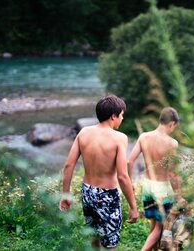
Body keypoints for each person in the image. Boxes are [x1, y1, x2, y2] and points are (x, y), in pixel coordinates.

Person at [59, 95, 138, 251]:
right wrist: (133, 207)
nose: (122, 119)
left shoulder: (83, 133)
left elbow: (69, 165)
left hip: (87, 191)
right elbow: (122, 176)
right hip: (107, 196)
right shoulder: (119, 138)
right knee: (110, 244)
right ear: (113, 116)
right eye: (121, 115)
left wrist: (65, 194)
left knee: (94, 237)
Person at [128, 107, 185, 251]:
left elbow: (129, 161)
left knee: (153, 225)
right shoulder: (172, 143)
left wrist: (130, 182)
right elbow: (172, 174)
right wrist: (179, 197)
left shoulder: (144, 137)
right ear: (171, 124)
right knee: (160, 228)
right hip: (163, 190)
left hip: (147, 185)